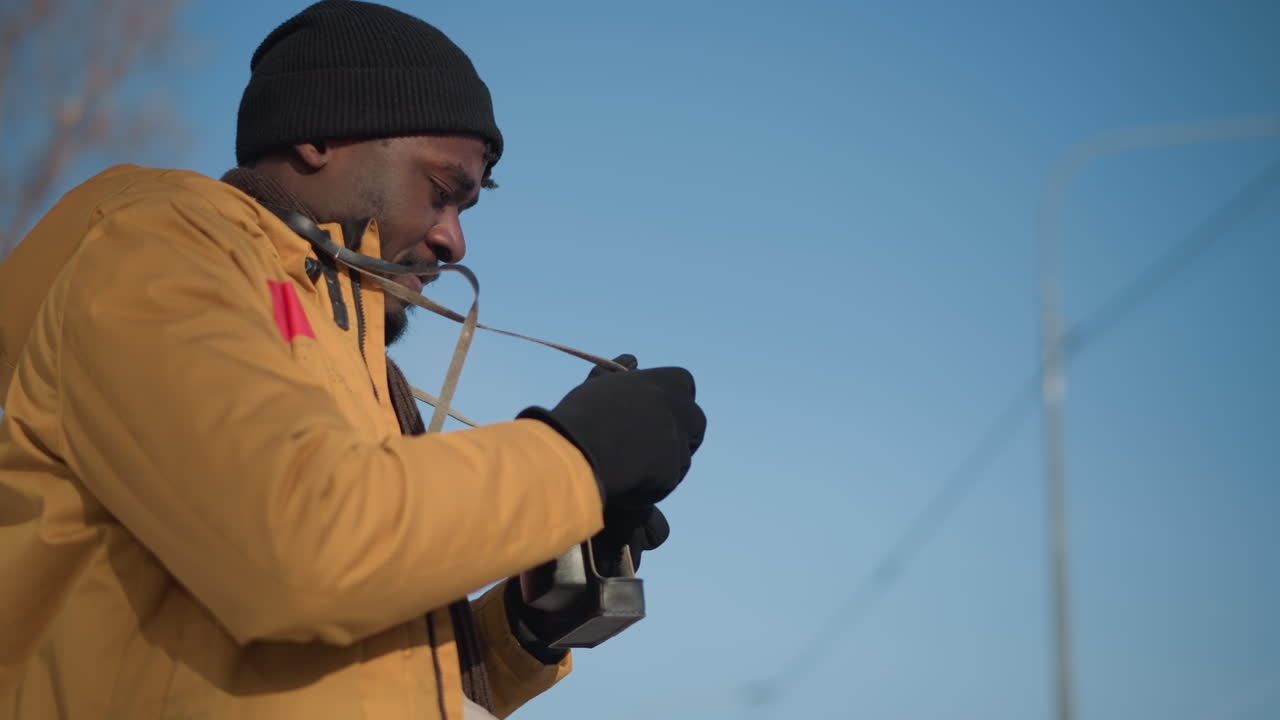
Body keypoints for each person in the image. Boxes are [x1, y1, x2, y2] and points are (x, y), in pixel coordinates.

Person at [0, 1, 706, 718]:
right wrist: (574, 459)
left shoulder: (353, 362)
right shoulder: (155, 249)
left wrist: (526, 621)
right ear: (320, 137)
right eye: (441, 192)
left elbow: (354, 671)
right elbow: (296, 548)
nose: (454, 241)